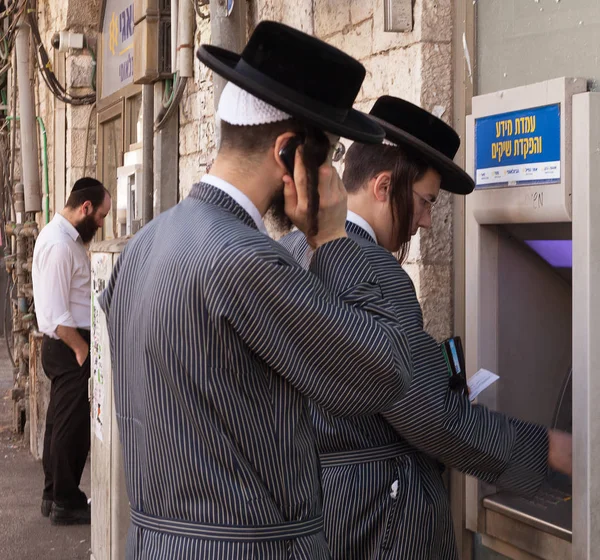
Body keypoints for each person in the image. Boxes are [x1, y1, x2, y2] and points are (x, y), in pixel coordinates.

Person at [99, 22, 413, 559]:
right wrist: (333, 239)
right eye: (330, 156)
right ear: (288, 152)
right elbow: (383, 375)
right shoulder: (247, 260)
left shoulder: (144, 245)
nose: (334, 177)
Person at [280, 96, 573, 559]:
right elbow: (431, 416)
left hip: (323, 512)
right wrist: (552, 450)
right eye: (424, 201)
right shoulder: (375, 270)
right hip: (382, 523)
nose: (426, 221)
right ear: (382, 185)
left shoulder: (290, 250)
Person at [32, 177, 111, 525]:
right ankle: (65, 499)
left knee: (58, 423)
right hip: (69, 345)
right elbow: (57, 312)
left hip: (67, 344)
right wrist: (81, 350)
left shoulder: (63, 238)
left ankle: (54, 495)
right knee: (71, 427)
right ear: (86, 207)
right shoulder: (61, 245)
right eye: (100, 216)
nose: (102, 223)